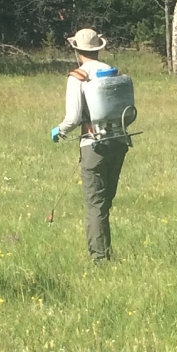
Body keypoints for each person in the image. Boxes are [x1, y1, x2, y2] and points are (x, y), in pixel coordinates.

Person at [49, 27, 129, 263]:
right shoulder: (113, 72)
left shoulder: (78, 77)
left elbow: (73, 118)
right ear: (98, 49)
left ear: (77, 49)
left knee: (95, 205)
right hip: (119, 141)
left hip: (93, 145)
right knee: (105, 203)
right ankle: (105, 251)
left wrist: (59, 130)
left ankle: (100, 259)